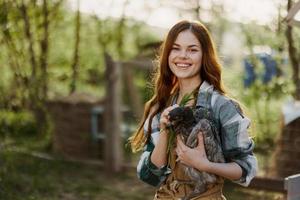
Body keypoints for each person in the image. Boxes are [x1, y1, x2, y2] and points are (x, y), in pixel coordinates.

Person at [129, 20, 258, 200]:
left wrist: (204, 164)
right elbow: (150, 176)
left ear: (204, 55)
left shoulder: (222, 107)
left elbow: (246, 169)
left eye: (192, 50)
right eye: (176, 48)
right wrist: (165, 132)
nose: (183, 56)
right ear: (167, 54)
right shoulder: (158, 107)